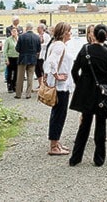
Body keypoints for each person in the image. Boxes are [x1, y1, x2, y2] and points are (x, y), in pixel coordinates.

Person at [69, 24, 107, 167]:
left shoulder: (85, 49)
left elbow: (74, 70)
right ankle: (99, 158)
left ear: (94, 35)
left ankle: (75, 158)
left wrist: (81, 84)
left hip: (86, 92)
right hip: (101, 93)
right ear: (106, 36)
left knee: (84, 126)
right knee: (101, 125)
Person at [45, 21, 74, 156]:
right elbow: (51, 61)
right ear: (64, 33)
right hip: (60, 86)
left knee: (58, 113)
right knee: (59, 114)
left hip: (61, 84)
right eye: (69, 30)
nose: (71, 33)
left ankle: (56, 142)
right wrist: (56, 74)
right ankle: (54, 145)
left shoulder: (57, 44)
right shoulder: (60, 46)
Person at [15, 22, 40, 99]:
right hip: (32, 58)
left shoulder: (21, 37)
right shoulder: (37, 37)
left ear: (26, 28)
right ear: (32, 28)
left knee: (20, 77)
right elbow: (39, 49)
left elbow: (17, 48)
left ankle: (18, 94)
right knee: (30, 77)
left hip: (23, 58)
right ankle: (28, 94)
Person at [5, 16, 24, 84]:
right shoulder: (8, 29)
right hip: (11, 55)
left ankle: (15, 84)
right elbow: (5, 49)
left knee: (17, 71)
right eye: (16, 20)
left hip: (18, 56)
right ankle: (9, 84)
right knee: (9, 71)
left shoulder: (20, 28)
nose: (18, 21)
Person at [3, 27, 19, 93]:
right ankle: (9, 86)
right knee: (9, 73)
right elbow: (5, 50)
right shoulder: (8, 40)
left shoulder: (19, 39)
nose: (14, 33)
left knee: (16, 73)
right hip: (10, 57)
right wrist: (6, 59)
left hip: (17, 57)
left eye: (15, 31)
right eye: (13, 31)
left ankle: (14, 85)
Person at [35, 23, 51, 89]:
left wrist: (40, 45)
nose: (37, 29)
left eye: (38, 28)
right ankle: (40, 84)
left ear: (41, 28)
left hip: (43, 55)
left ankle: (45, 84)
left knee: (43, 69)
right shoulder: (36, 36)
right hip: (36, 55)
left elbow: (48, 44)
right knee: (37, 70)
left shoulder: (47, 36)